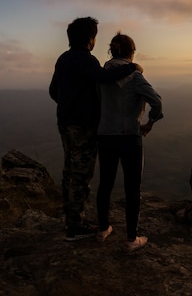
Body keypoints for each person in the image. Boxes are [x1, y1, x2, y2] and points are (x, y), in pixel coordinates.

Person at [49, 17, 142, 241]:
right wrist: (132, 67)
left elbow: (53, 91)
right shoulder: (86, 60)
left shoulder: (63, 59)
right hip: (83, 126)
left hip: (65, 123)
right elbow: (104, 76)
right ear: (90, 39)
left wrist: (68, 104)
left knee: (69, 171)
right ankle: (75, 227)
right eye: (94, 37)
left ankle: (70, 218)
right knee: (81, 174)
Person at [96, 32, 163, 252]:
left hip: (105, 135)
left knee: (105, 183)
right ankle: (132, 238)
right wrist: (149, 123)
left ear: (111, 51)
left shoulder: (100, 74)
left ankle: (103, 228)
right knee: (132, 188)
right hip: (129, 137)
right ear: (131, 53)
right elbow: (157, 101)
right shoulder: (134, 77)